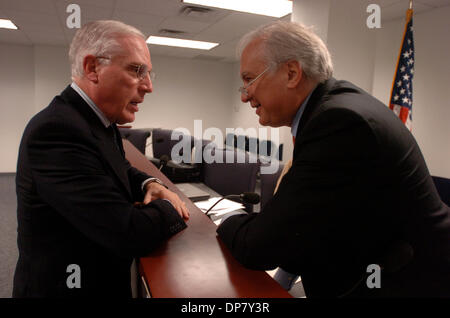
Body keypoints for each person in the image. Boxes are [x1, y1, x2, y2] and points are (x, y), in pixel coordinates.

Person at [216, 21, 450, 298]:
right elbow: (310, 222)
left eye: (249, 79)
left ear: (291, 73)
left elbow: (259, 247)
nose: (245, 96)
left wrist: (227, 221)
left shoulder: (338, 123)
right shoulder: (334, 109)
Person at [13, 20, 189, 298]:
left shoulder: (97, 121)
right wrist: (171, 205)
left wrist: (151, 184)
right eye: (136, 70)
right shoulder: (57, 130)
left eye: (149, 73)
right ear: (92, 68)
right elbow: (128, 234)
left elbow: (120, 169)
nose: (148, 86)